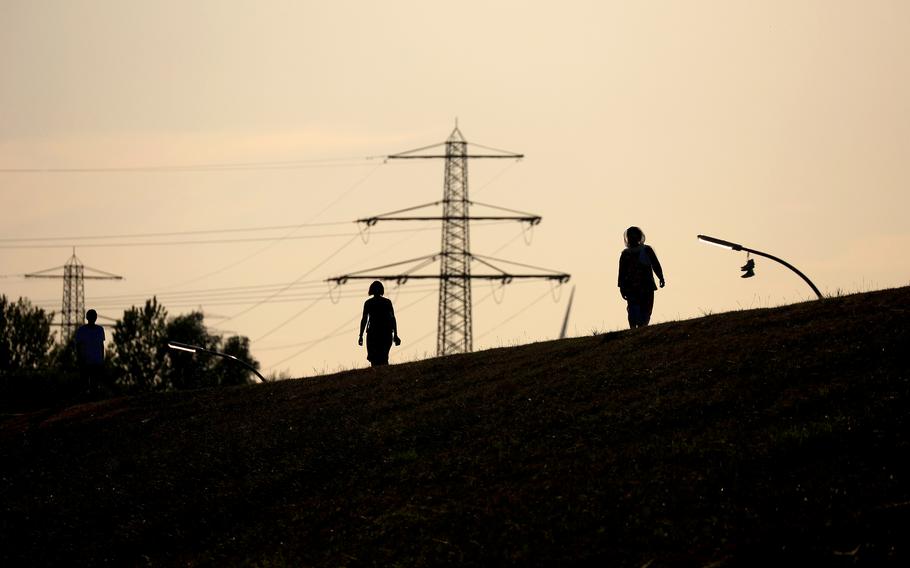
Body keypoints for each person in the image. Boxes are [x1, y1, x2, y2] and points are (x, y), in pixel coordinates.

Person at [618, 226, 665, 328]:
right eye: (630, 236)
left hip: (646, 286)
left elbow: (655, 264)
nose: (632, 238)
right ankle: (633, 330)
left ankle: (642, 328)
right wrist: (621, 287)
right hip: (631, 288)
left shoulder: (647, 250)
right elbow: (621, 272)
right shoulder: (625, 254)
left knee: (646, 310)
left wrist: (661, 277)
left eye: (634, 235)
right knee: (633, 311)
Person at [358, 281, 401, 367]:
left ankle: (377, 377)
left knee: (374, 359)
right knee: (384, 358)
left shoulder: (368, 303)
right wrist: (395, 334)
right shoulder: (387, 302)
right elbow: (392, 319)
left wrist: (361, 335)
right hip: (386, 333)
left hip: (373, 334)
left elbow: (364, 320)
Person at [74, 308, 106, 390]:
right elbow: (101, 346)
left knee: (92, 384)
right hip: (88, 361)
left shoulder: (82, 330)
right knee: (88, 384)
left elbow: (101, 346)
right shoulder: (99, 330)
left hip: (92, 361)